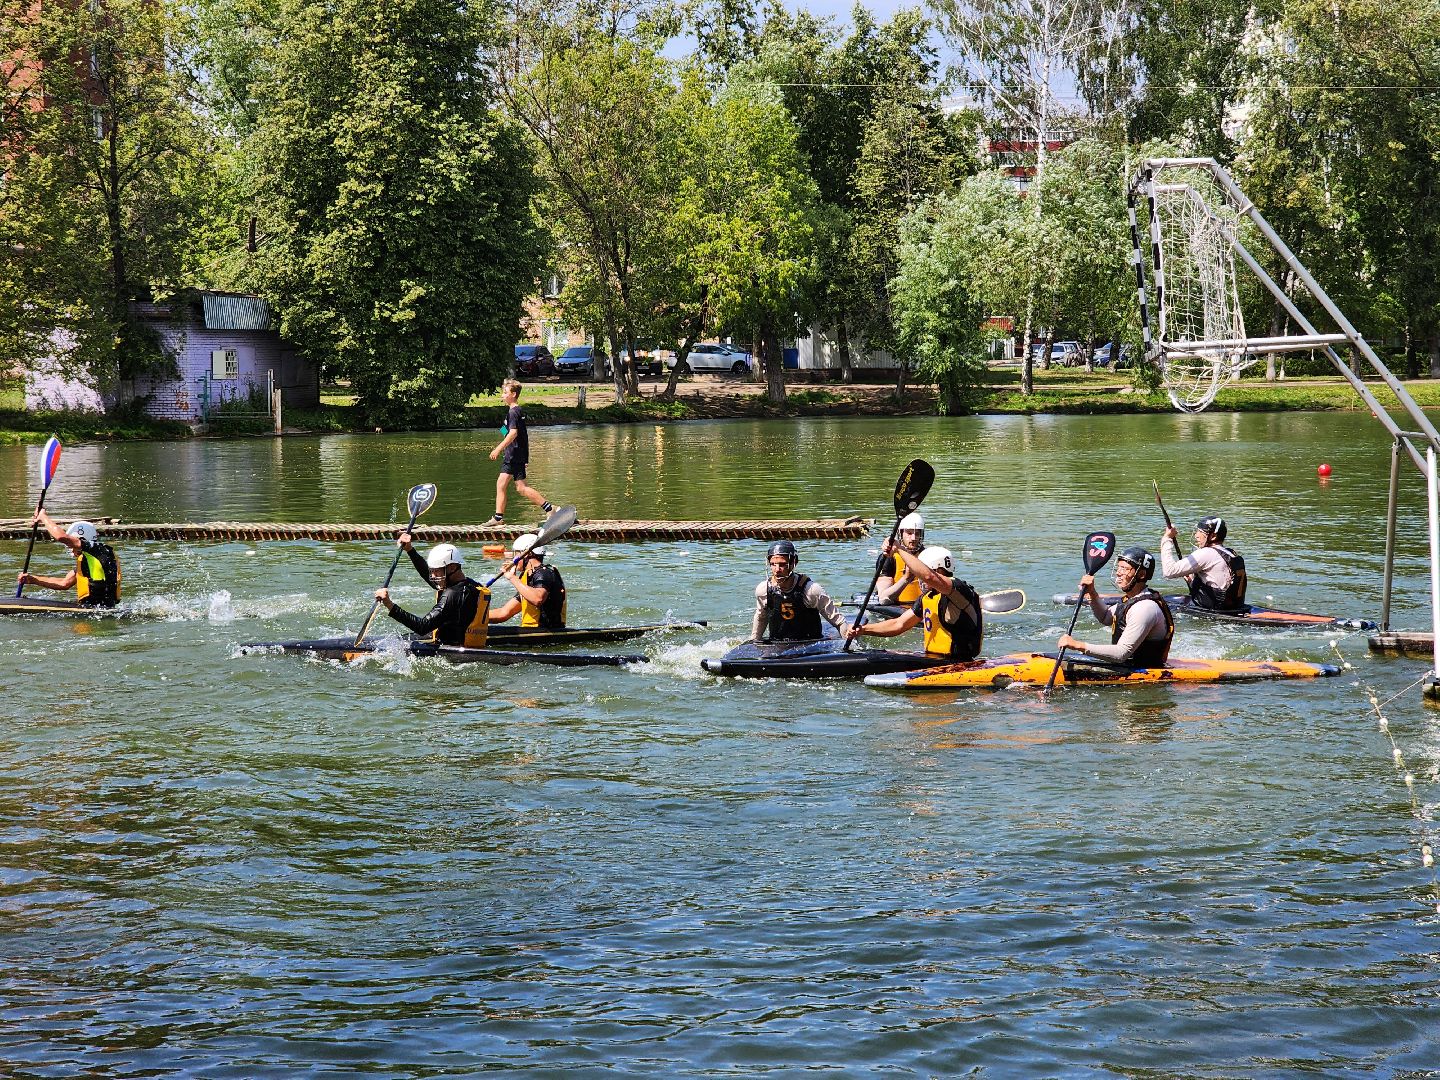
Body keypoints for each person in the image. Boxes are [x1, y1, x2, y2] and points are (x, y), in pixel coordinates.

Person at [848, 546, 983, 660]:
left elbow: (929, 576)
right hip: (934, 659)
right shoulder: (928, 597)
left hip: (960, 662)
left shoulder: (960, 590)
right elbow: (898, 624)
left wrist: (899, 549)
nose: (918, 578)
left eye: (918, 573)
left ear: (939, 571)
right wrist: (863, 630)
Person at [1057, 545, 1174, 666]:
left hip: (1143, 670)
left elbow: (1121, 654)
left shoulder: (1144, 608)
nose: (1118, 573)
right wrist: (1092, 593)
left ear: (1142, 575)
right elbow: (1105, 617)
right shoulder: (1132, 599)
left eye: (1124, 568)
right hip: (1126, 665)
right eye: (1118, 567)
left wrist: (1077, 645)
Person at [375, 534, 490, 647]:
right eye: (432, 571)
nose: (433, 576)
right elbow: (432, 578)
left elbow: (422, 627)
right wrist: (410, 550)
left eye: (436, 571)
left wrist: (389, 604)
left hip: (451, 652)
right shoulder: (470, 585)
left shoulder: (452, 594)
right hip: (464, 643)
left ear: (452, 567)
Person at [751, 539, 851, 642]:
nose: (777, 570)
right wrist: (754, 642)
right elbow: (761, 618)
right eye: (773, 564)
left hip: (811, 646)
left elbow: (839, 622)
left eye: (782, 564)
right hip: (778, 644)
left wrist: (850, 647)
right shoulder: (763, 590)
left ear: (794, 563)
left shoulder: (811, 590)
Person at [15, 511, 120, 607]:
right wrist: (33, 579)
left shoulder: (96, 550)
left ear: (81, 539)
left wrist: (43, 516)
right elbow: (64, 583)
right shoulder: (91, 558)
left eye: (72, 545)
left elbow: (61, 537)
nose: (71, 550)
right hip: (98, 609)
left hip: (97, 610)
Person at [486, 379, 554, 527]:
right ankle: (498, 518)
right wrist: (525, 456)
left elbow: (514, 434)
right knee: (507, 485)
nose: (502, 395)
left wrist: (498, 448)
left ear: (514, 394)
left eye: (505, 393)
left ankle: (550, 509)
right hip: (516, 454)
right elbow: (519, 434)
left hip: (513, 455)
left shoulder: (514, 412)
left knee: (519, 487)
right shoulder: (515, 411)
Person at [1161, 515, 1247, 611]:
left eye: (1200, 532)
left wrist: (1166, 539)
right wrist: (1192, 582)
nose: (1196, 535)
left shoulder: (1206, 553)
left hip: (1216, 610)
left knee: (1162, 602)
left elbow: (1169, 571)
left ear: (1213, 536)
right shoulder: (1231, 552)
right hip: (1235, 606)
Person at [490, 533, 567, 628]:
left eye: (516, 553)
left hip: (546, 634)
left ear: (528, 554)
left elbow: (538, 599)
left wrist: (512, 578)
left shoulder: (545, 573)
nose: (514, 558)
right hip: (532, 632)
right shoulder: (528, 578)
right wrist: (475, 615)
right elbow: (504, 613)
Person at [875, 512, 927, 605]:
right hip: (898, 607)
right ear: (901, 534)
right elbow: (883, 599)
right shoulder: (889, 558)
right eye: (909, 533)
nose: (914, 538)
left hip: (923, 607)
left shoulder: (928, 555)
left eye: (917, 534)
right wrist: (906, 578)